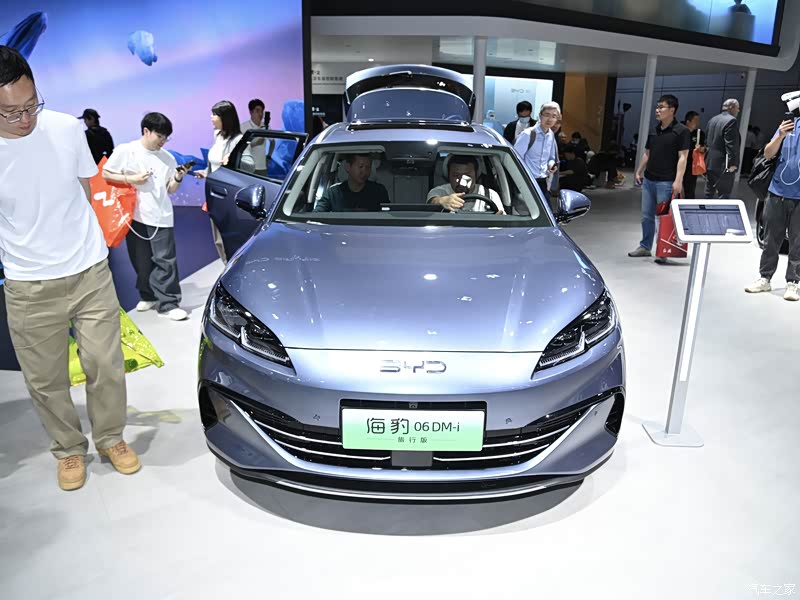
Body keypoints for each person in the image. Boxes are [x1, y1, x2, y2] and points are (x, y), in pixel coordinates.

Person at [0, 46, 139, 491]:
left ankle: (111, 438)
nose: (25, 118)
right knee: (45, 379)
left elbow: (90, 188)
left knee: (106, 364)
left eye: (31, 105)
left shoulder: (64, 128)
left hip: (88, 270)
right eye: (11, 112)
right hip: (28, 283)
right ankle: (68, 448)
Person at [102, 112, 188, 322]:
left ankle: (168, 303)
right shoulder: (126, 150)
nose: (163, 141)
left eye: (166, 137)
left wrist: (178, 177)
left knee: (165, 260)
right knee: (141, 261)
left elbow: (170, 189)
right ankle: (148, 295)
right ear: (146, 131)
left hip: (161, 215)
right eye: (160, 136)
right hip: (134, 216)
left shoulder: (167, 158)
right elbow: (106, 173)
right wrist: (131, 178)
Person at [744, 115, 800, 302]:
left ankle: (793, 281)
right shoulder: (789, 125)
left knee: (798, 242)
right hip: (777, 192)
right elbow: (768, 154)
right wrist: (780, 135)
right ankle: (765, 278)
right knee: (770, 239)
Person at [630, 94, 690, 261]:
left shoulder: (681, 131)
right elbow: (647, 153)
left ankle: (662, 249)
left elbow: (683, 157)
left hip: (666, 181)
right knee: (646, 216)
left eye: (661, 107)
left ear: (672, 110)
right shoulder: (653, 130)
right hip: (649, 179)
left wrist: (678, 180)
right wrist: (639, 170)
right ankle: (645, 246)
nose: (657, 110)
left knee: (662, 217)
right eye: (657, 107)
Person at [194, 100, 249, 262]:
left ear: (225, 118)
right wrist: (206, 172)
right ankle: (226, 265)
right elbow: (214, 162)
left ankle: (234, 266)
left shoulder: (238, 139)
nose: (211, 118)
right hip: (214, 193)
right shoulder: (217, 136)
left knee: (230, 237)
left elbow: (249, 163)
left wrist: (233, 160)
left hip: (229, 195)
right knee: (218, 238)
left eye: (215, 115)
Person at [427, 154, 504, 213]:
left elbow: (502, 218)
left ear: (476, 175)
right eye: (456, 175)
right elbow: (432, 201)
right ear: (448, 175)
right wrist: (442, 201)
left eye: (467, 175)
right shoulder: (440, 192)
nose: (461, 182)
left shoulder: (490, 194)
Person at [514, 101, 561, 197]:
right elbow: (515, 159)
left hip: (543, 181)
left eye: (554, 116)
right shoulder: (528, 134)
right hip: (527, 180)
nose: (550, 119)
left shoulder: (551, 135)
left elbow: (551, 158)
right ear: (540, 115)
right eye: (547, 115)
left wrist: (551, 165)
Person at [314, 154, 389, 212]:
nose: (364, 172)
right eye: (360, 166)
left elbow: (388, 213)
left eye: (368, 167)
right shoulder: (333, 193)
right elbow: (317, 214)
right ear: (348, 167)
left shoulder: (379, 191)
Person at [705, 99, 741, 199]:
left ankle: (705, 209)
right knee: (724, 194)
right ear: (731, 107)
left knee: (709, 191)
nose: (738, 111)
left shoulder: (712, 119)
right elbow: (731, 145)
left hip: (710, 161)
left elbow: (706, 140)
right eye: (737, 108)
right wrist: (732, 164)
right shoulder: (731, 121)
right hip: (723, 164)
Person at [240, 98, 270, 176]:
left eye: (262, 111)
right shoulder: (243, 127)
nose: (260, 114)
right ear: (251, 112)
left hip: (262, 167)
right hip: (248, 166)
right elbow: (240, 147)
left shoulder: (266, 126)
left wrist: (269, 157)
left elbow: (272, 141)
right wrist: (254, 143)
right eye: (257, 111)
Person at [682, 110, 706, 198]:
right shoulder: (680, 131)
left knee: (690, 189)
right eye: (695, 121)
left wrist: (701, 149)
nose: (698, 123)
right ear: (688, 122)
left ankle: (688, 203)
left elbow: (705, 147)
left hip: (692, 165)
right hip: (678, 162)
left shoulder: (700, 133)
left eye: (698, 121)